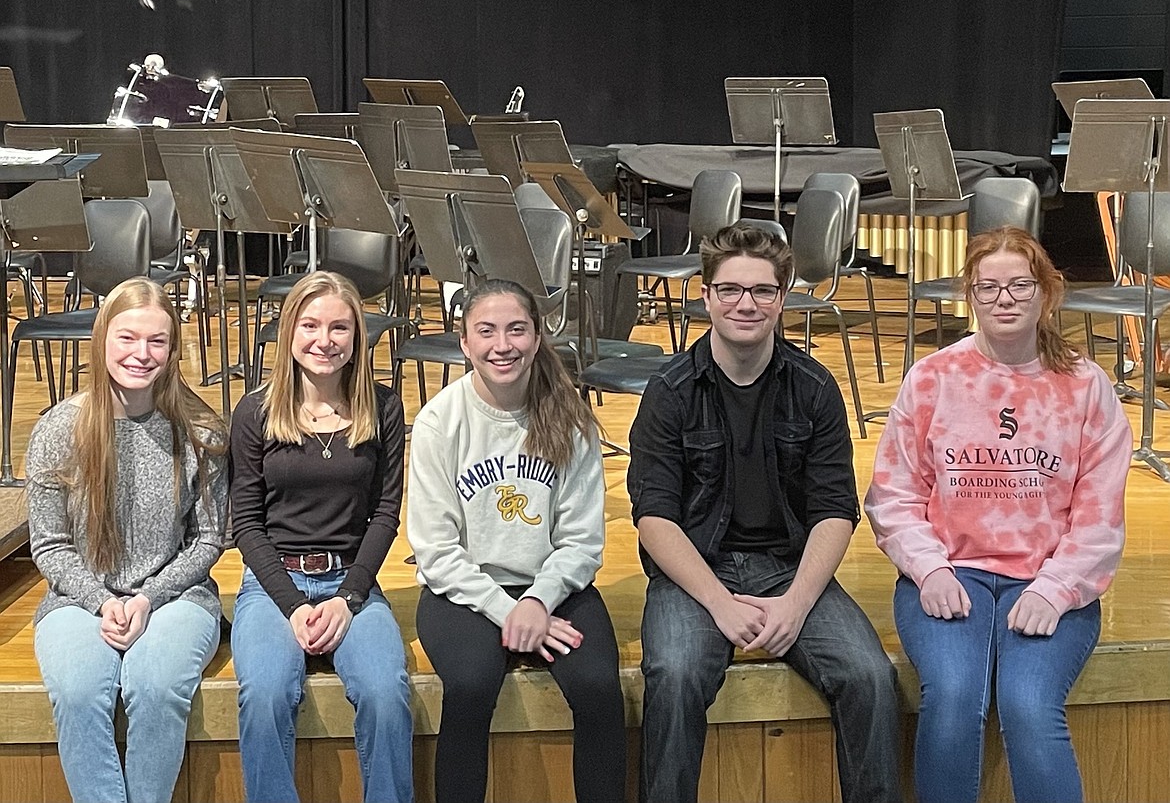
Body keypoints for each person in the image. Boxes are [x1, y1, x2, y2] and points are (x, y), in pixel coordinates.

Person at [628, 222, 902, 803]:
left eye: (761, 291)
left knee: (870, 677)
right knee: (674, 678)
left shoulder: (814, 386)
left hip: (787, 566)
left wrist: (797, 604)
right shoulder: (670, 391)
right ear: (705, 296)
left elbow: (834, 509)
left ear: (783, 298)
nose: (744, 303)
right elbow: (654, 518)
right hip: (697, 571)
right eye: (729, 289)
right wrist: (719, 603)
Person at [865, 226, 1133, 803]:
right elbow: (893, 495)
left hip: (1046, 581)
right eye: (988, 288)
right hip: (947, 574)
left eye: (1019, 284)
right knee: (955, 697)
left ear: (1046, 292)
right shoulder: (933, 377)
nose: (1003, 299)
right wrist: (929, 569)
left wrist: (1056, 589)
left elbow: (1100, 516)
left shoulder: (1085, 386)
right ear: (971, 295)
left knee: (1030, 705)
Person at [408, 279, 626, 803]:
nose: (502, 345)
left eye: (516, 329)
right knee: (470, 686)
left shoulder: (571, 418)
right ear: (464, 343)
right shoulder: (440, 421)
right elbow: (436, 551)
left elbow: (581, 542)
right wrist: (508, 612)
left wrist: (535, 601)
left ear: (538, 336)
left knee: (599, 690)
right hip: (461, 592)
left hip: (552, 587)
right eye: (486, 331)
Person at [27, 276, 227, 803]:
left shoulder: (200, 431)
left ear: (173, 350)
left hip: (177, 598)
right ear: (101, 340)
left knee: (156, 687)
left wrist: (147, 598)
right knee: (78, 691)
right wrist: (100, 600)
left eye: (157, 341)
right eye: (127, 338)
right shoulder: (58, 428)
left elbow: (209, 540)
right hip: (77, 599)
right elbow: (48, 545)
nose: (142, 354)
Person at [229, 271, 412, 803]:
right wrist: (290, 606)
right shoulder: (255, 412)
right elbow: (246, 522)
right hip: (272, 584)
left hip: (351, 581)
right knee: (264, 693)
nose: (324, 340)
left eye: (339, 327)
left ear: (357, 338)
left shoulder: (383, 408)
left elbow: (385, 512)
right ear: (289, 333)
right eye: (310, 325)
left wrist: (349, 598)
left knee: (384, 692)